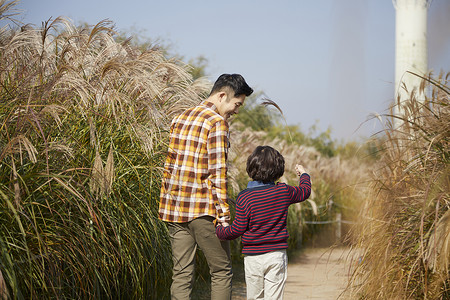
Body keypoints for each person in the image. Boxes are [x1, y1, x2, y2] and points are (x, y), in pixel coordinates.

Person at [159, 74, 253, 300]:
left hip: (174, 210)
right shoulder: (217, 123)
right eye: (236, 104)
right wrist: (224, 215)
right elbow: (218, 173)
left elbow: (169, 166)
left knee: (181, 274)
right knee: (221, 271)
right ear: (222, 95)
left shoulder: (179, 118)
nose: (236, 111)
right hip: (204, 212)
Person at [215, 146, 311, 300]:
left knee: (254, 297)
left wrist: (221, 230)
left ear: (251, 167)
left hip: (253, 258)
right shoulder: (283, 191)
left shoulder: (244, 197)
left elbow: (237, 229)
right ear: (278, 170)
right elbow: (305, 191)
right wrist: (304, 174)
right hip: (276, 255)